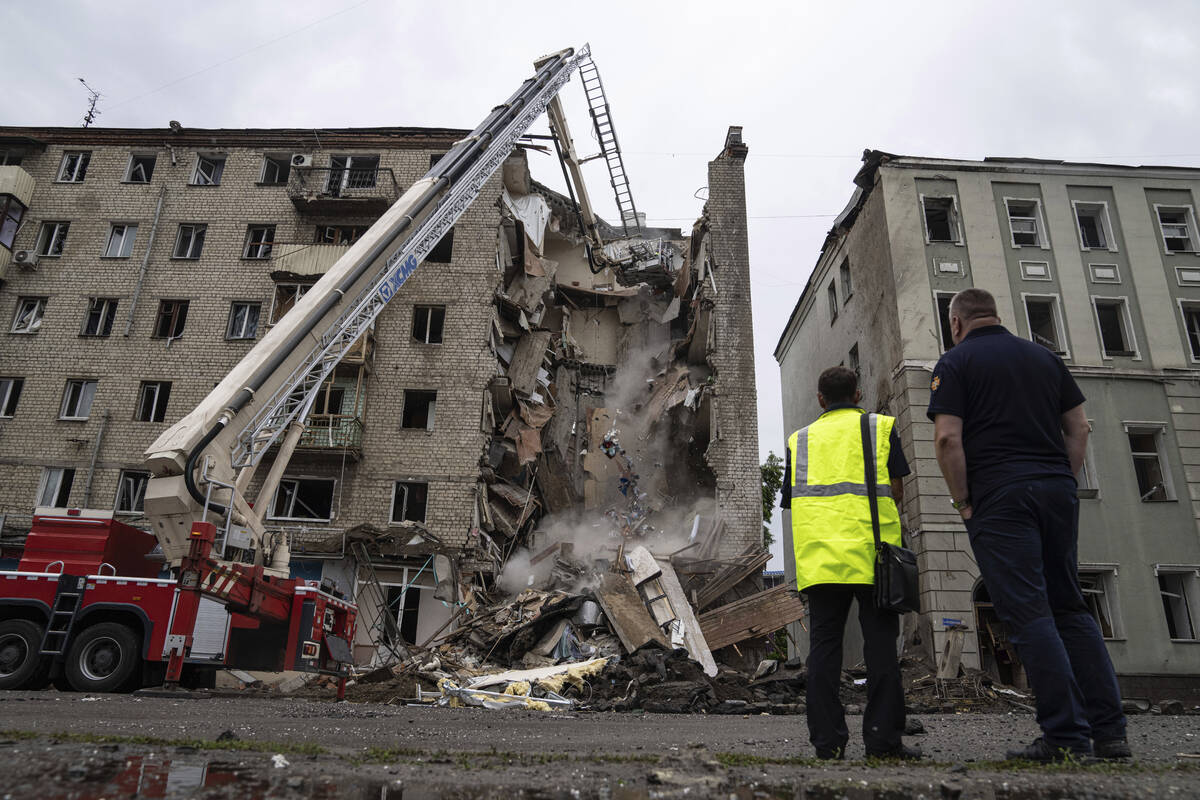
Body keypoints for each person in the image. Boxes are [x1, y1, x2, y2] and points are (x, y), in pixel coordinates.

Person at [927, 288, 1129, 762]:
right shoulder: (1044, 358)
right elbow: (1079, 428)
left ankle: (1065, 737)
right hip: (1056, 491)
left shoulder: (954, 364)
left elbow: (946, 439)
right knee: (1071, 608)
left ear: (956, 324)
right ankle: (1110, 734)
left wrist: (963, 502)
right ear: (997, 315)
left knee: (1029, 613)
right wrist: (1063, 478)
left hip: (1001, 496)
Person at [783, 366, 921, 760]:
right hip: (874, 559)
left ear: (820, 400)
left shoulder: (800, 440)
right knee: (880, 650)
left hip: (821, 562)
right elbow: (896, 489)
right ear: (858, 395)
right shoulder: (879, 429)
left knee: (824, 652)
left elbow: (795, 501)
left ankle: (827, 743)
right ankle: (882, 741)